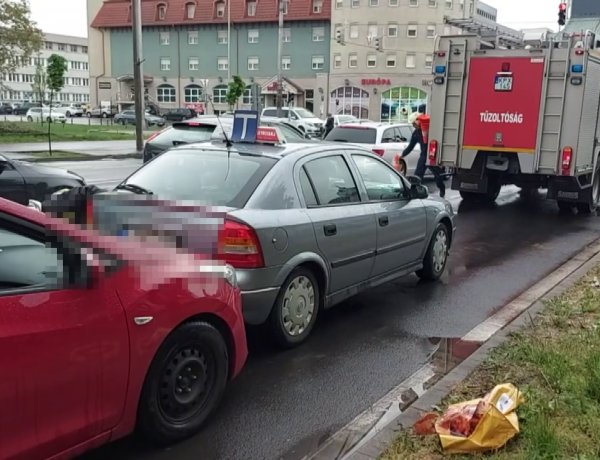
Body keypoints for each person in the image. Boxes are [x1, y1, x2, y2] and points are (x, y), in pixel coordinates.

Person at [401, 112, 445, 198]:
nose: (413, 125)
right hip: (424, 156)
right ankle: (414, 192)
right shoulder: (416, 133)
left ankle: (442, 189)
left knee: (438, 175)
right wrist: (402, 155)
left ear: (418, 121)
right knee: (417, 175)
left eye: (414, 123)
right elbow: (410, 147)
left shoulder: (430, 129)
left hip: (432, 155)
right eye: (412, 124)